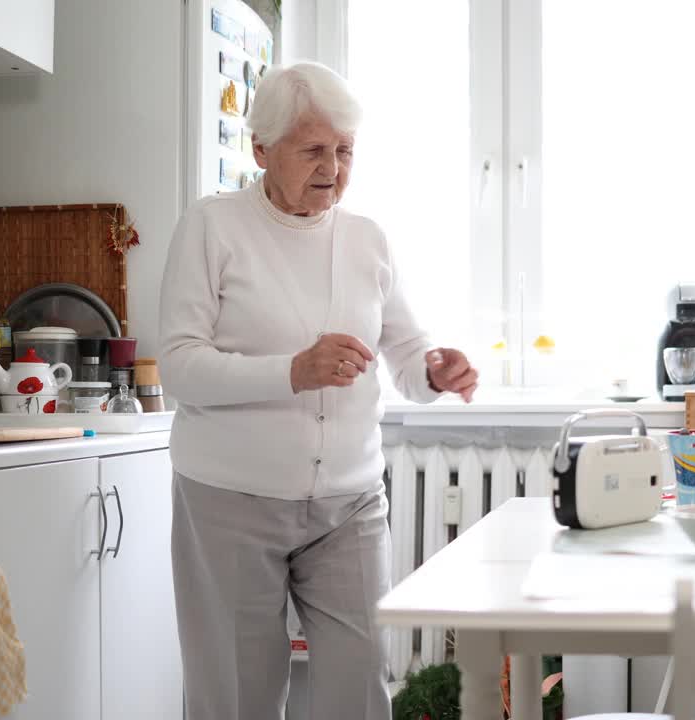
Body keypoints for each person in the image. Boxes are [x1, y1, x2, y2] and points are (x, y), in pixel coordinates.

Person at [159, 61, 478, 720]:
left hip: (348, 506)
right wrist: (293, 371)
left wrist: (435, 371)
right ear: (260, 150)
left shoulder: (368, 239)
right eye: (313, 150)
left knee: (358, 693)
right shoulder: (212, 227)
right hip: (229, 502)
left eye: (345, 150)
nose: (333, 165)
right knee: (237, 698)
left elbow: (407, 354)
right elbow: (181, 367)